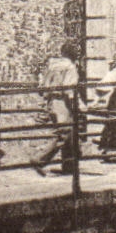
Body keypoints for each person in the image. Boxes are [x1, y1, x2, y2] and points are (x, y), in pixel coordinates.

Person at [32, 41, 84, 176]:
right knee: (64, 131)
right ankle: (39, 159)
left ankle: (69, 165)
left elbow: (42, 85)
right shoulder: (70, 67)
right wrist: (81, 105)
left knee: (69, 132)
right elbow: (69, 89)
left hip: (51, 101)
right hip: (62, 102)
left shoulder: (52, 65)